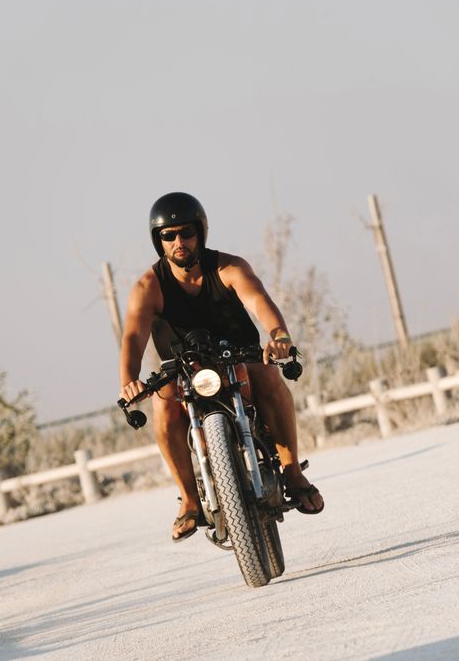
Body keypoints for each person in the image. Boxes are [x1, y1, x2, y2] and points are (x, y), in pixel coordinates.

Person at [119, 191, 324, 543]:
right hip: (181, 368)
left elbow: (259, 300)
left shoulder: (229, 267)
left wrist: (279, 337)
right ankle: (190, 500)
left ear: (201, 233)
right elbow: (133, 338)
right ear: (159, 241)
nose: (179, 242)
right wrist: (128, 382)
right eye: (169, 236)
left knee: (267, 374)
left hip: (239, 355)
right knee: (162, 402)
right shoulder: (147, 287)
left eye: (186, 233)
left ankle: (292, 474)